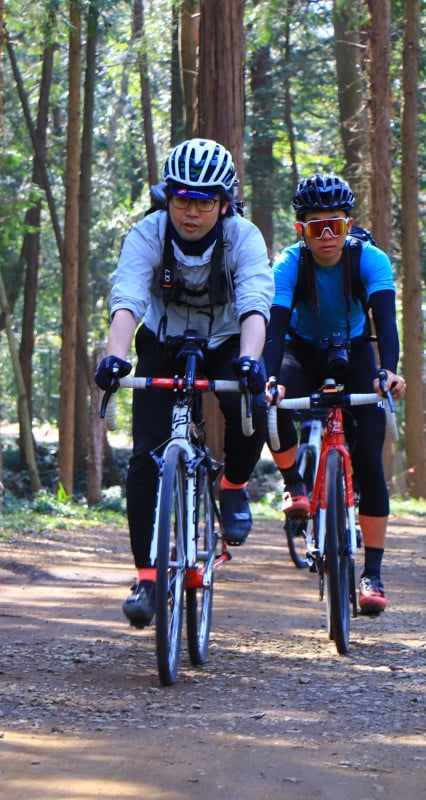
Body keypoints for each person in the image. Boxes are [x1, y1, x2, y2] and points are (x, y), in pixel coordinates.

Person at [94, 138, 273, 628]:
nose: (191, 212)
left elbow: (257, 300)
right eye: (181, 199)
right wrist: (115, 357)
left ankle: (233, 485)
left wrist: (251, 360)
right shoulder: (149, 232)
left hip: (226, 337)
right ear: (166, 196)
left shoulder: (244, 237)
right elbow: (128, 295)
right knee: (145, 457)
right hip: (163, 337)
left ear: (224, 202)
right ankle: (147, 578)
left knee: (251, 408)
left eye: (204, 201)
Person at [263, 173, 406, 616]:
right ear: (300, 231)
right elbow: (275, 328)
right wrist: (271, 378)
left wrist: (388, 373)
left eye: (336, 226)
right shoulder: (288, 264)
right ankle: (295, 484)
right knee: (268, 403)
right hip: (301, 352)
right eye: (315, 228)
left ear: (349, 225)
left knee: (368, 458)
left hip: (357, 352)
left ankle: (373, 574)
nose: (327, 237)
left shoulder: (371, 259)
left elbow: (386, 325)